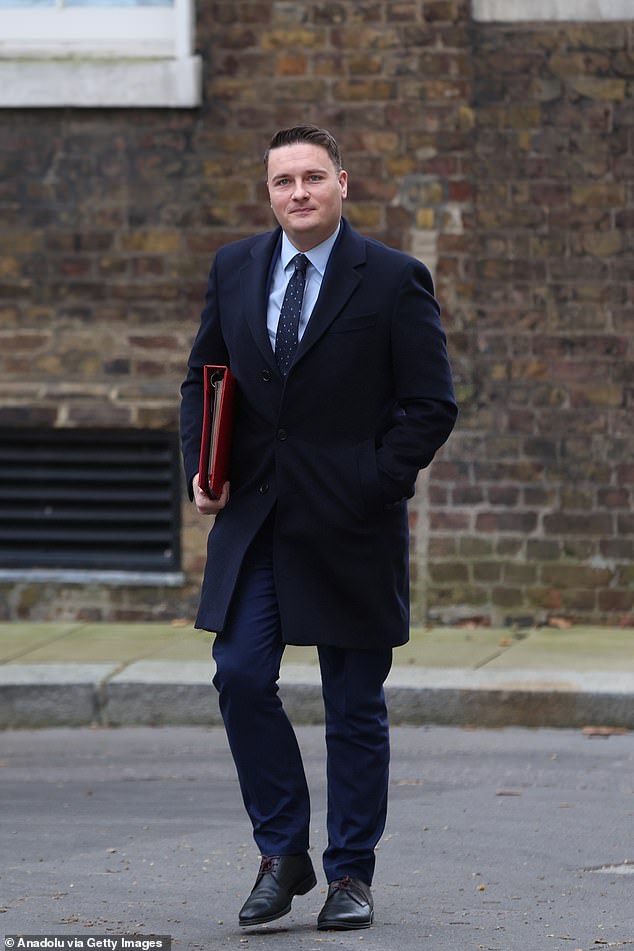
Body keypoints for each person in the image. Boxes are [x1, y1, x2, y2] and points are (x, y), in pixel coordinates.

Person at [180, 125, 457, 931]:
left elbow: (430, 403)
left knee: (352, 703)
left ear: (343, 181)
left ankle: (351, 874)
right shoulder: (235, 266)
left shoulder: (394, 280)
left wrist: (375, 480)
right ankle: (282, 852)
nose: (297, 193)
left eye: (311, 178)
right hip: (258, 517)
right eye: (282, 182)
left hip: (351, 522)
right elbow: (205, 373)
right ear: (268, 192)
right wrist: (205, 463)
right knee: (237, 672)